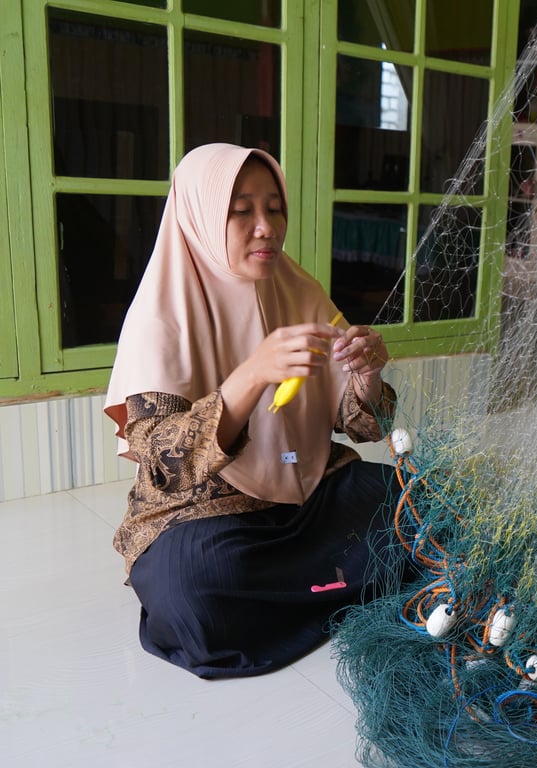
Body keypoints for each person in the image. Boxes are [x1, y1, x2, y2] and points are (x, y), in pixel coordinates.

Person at [104, 143, 410, 679]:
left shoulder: (300, 289)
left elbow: (363, 426)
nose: (266, 227)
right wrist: (250, 375)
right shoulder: (163, 313)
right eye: (241, 211)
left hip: (309, 492)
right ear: (199, 214)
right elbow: (164, 465)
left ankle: (306, 594)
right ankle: (338, 586)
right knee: (190, 589)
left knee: (419, 507)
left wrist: (367, 376)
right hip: (210, 510)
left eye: (275, 208)